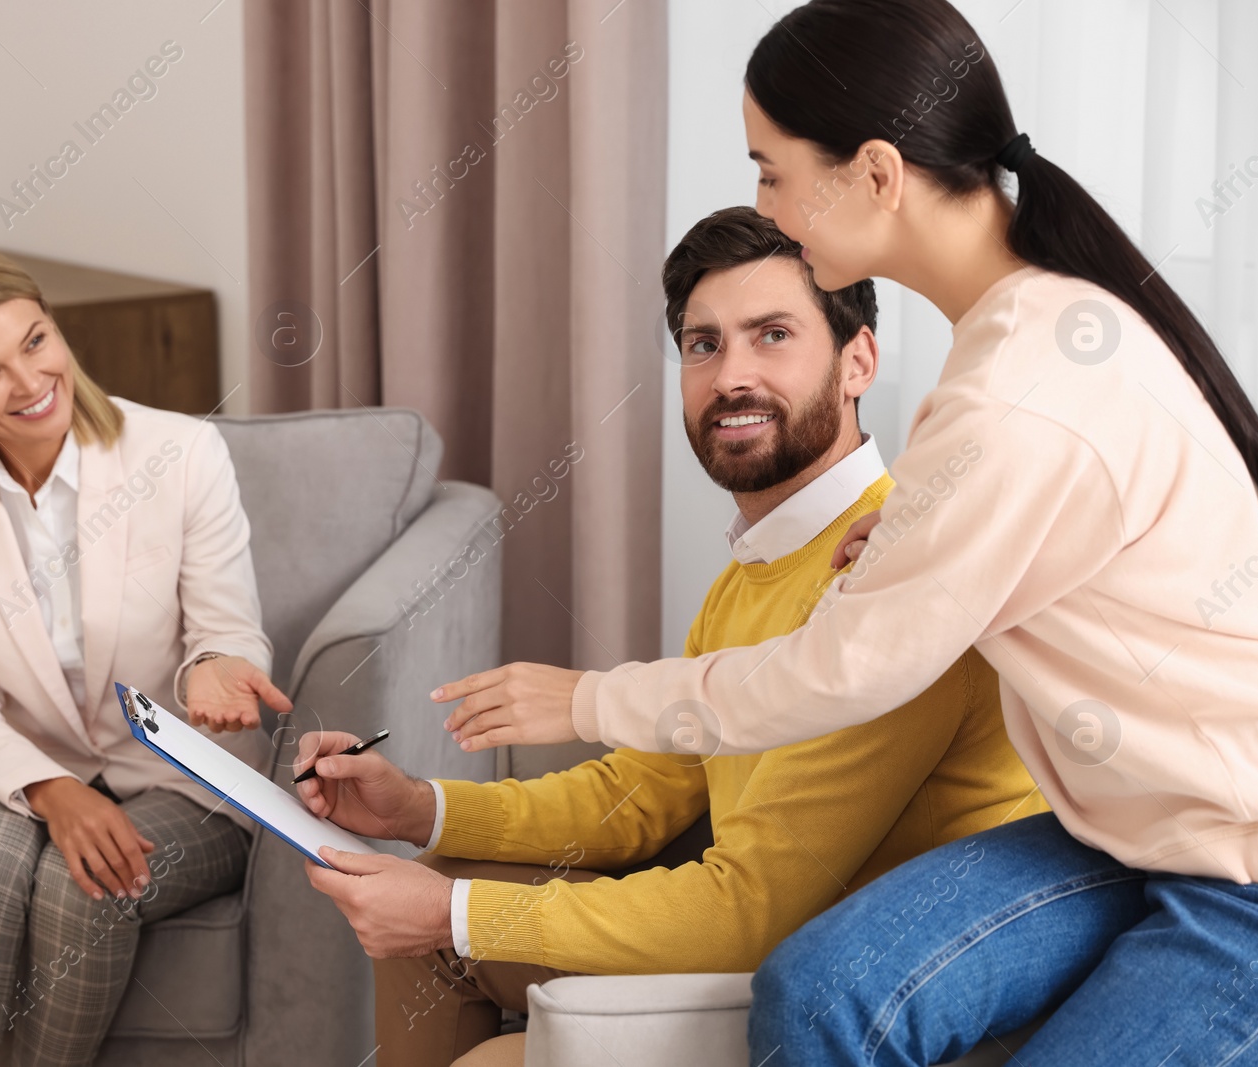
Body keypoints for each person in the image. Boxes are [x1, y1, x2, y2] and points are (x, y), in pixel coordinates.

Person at [429, 1, 1258, 1064]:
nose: (766, 206)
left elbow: (840, 674)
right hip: (1133, 828)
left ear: (875, 174)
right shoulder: (1021, 338)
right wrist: (924, 544)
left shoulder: (1021, 385)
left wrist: (587, 696)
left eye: (772, 169)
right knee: (824, 987)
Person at [295, 206, 1047, 1067]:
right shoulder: (755, 568)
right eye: (703, 345)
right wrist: (419, 808)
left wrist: (454, 910)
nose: (732, 375)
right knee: (429, 921)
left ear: (858, 361)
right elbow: (640, 796)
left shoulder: (892, 572)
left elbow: (751, 910)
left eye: (772, 336)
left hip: (847, 991)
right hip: (765, 932)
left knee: (463, 990)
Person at [0, 247, 290, 1066]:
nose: (32, 383)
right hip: (18, 763)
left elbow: (227, 629)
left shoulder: (180, 454)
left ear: (55, 324)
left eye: (36, 341)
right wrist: (53, 788)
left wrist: (215, 665)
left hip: (183, 778)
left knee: (86, 880)